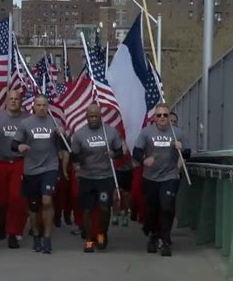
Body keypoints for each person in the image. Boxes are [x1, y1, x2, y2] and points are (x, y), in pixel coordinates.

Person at [132, 103, 191, 257]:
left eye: (165, 115)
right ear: (155, 118)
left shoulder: (177, 133)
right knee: (152, 209)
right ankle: (153, 235)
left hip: (169, 176)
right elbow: (136, 152)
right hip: (150, 177)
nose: (163, 118)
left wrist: (182, 149)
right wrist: (144, 160)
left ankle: (165, 240)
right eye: (159, 115)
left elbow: (188, 153)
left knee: (167, 207)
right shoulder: (146, 133)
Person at [11, 94, 65, 254]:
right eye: (38, 105)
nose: (41, 108)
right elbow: (14, 144)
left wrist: (62, 134)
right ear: (33, 106)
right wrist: (20, 147)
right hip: (31, 170)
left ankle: (47, 239)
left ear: (48, 107)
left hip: (50, 167)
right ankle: (36, 235)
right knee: (34, 207)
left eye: (44, 105)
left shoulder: (55, 122)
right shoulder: (26, 124)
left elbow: (63, 146)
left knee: (47, 201)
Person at [70, 104, 123, 253]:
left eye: (96, 116)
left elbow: (119, 151)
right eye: (91, 116)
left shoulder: (110, 132)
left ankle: (101, 234)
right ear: (86, 117)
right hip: (87, 177)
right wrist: (82, 158)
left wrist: (113, 154)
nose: (93, 119)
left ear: (101, 117)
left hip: (105, 177)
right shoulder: (79, 134)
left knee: (104, 208)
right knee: (87, 209)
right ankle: (89, 239)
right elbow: (74, 156)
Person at [0, 91, 29, 249]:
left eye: (17, 99)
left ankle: (13, 233)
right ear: (5, 101)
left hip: (19, 162)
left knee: (17, 198)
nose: (13, 101)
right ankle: (2, 221)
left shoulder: (27, 119)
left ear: (21, 101)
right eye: (11, 99)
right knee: (2, 200)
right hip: (0, 161)